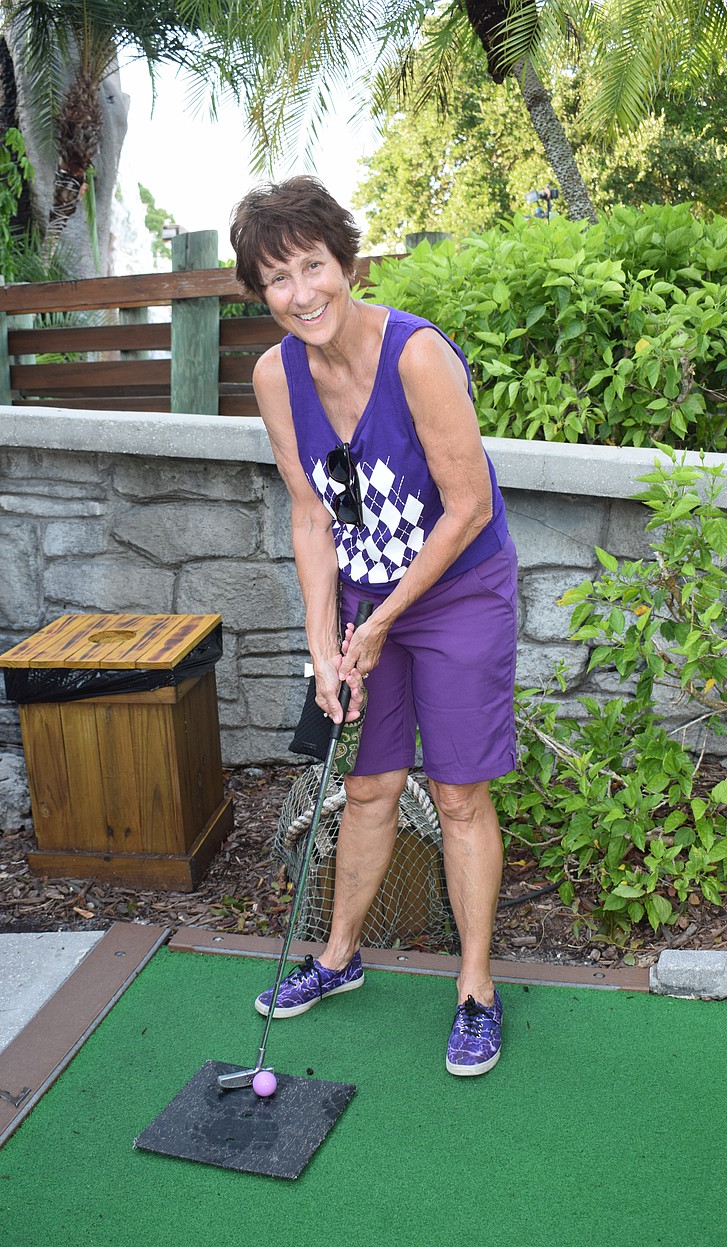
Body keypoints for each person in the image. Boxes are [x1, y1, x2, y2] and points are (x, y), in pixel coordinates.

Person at [230, 176, 517, 1077]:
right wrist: (326, 646)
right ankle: (338, 957)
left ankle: (476, 989)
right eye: (278, 279)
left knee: (461, 791)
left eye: (313, 265)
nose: (301, 292)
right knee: (367, 784)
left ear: (346, 264)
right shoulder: (276, 375)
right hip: (366, 605)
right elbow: (312, 515)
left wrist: (387, 616)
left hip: (458, 590)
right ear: (259, 293)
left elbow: (467, 506)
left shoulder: (416, 356)